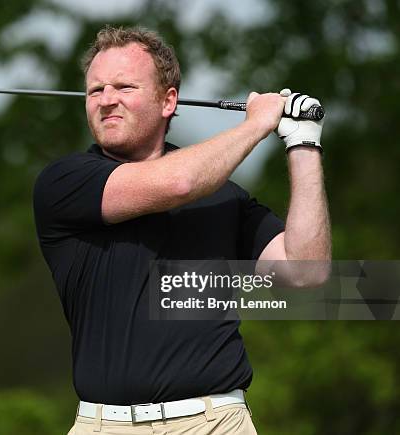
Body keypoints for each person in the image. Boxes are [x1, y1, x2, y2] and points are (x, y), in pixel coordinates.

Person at [33, 25, 331, 435]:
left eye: (124, 86)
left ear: (167, 100)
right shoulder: (66, 182)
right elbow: (179, 184)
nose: (107, 100)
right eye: (95, 90)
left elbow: (307, 271)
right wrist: (256, 124)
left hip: (215, 423)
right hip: (103, 425)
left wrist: (303, 143)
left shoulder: (225, 197)